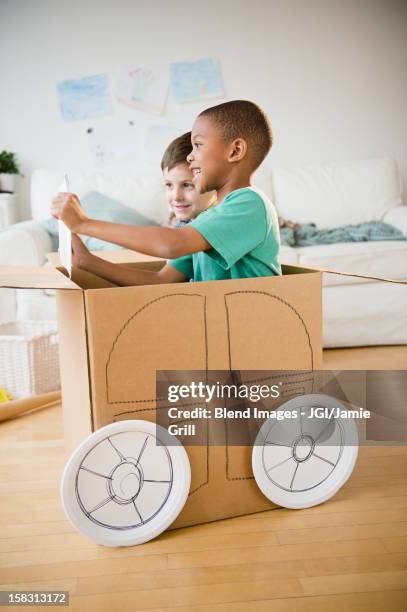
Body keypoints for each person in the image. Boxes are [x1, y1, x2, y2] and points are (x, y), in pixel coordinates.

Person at [51, 100, 281, 286]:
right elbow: (161, 280)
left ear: (235, 150)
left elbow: (173, 244)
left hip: (252, 330)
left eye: (198, 145)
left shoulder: (249, 202)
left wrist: (83, 223)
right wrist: (87, 261)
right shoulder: (204, 224)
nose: (190, 157)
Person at [161, 131, 216, 228]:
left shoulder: (214, 225)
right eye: (169, 185)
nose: (176, 197)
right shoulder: (177, 219)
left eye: (187, 185)